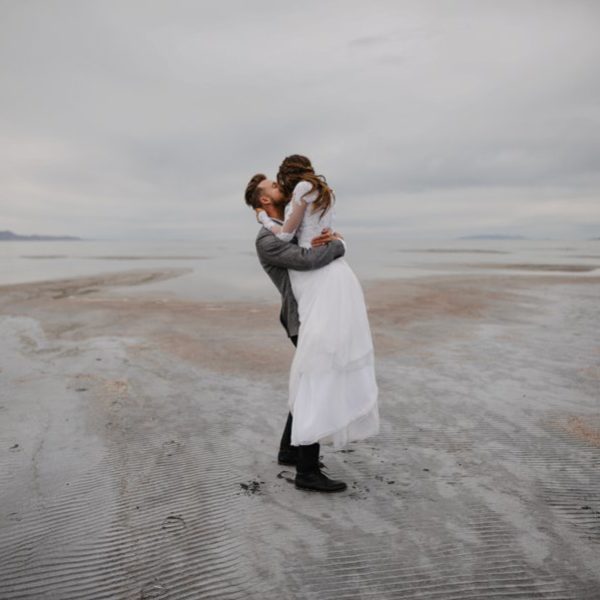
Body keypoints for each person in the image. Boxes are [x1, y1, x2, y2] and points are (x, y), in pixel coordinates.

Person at [245, 156, 379, 491]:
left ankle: (290, 450)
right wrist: (338, 244)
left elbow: (311, 239)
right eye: (273, 186)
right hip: (301, 316)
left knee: (310, 376)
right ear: (264, 199)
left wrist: (335, 239)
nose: (280, 185)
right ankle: (306, 471)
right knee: (314, 379)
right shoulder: (267, 240)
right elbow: (308, 259)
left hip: (313, 308)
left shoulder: (290, 221)